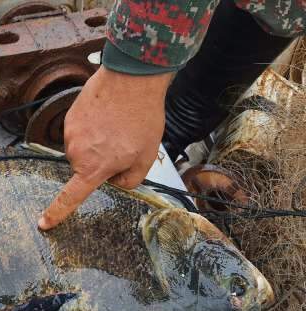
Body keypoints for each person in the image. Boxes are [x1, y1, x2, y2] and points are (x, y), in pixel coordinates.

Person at [38, 0, 305, 230]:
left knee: (194, 114)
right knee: (181, 110)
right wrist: (132, 72)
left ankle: (160, 158)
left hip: (283, 13)